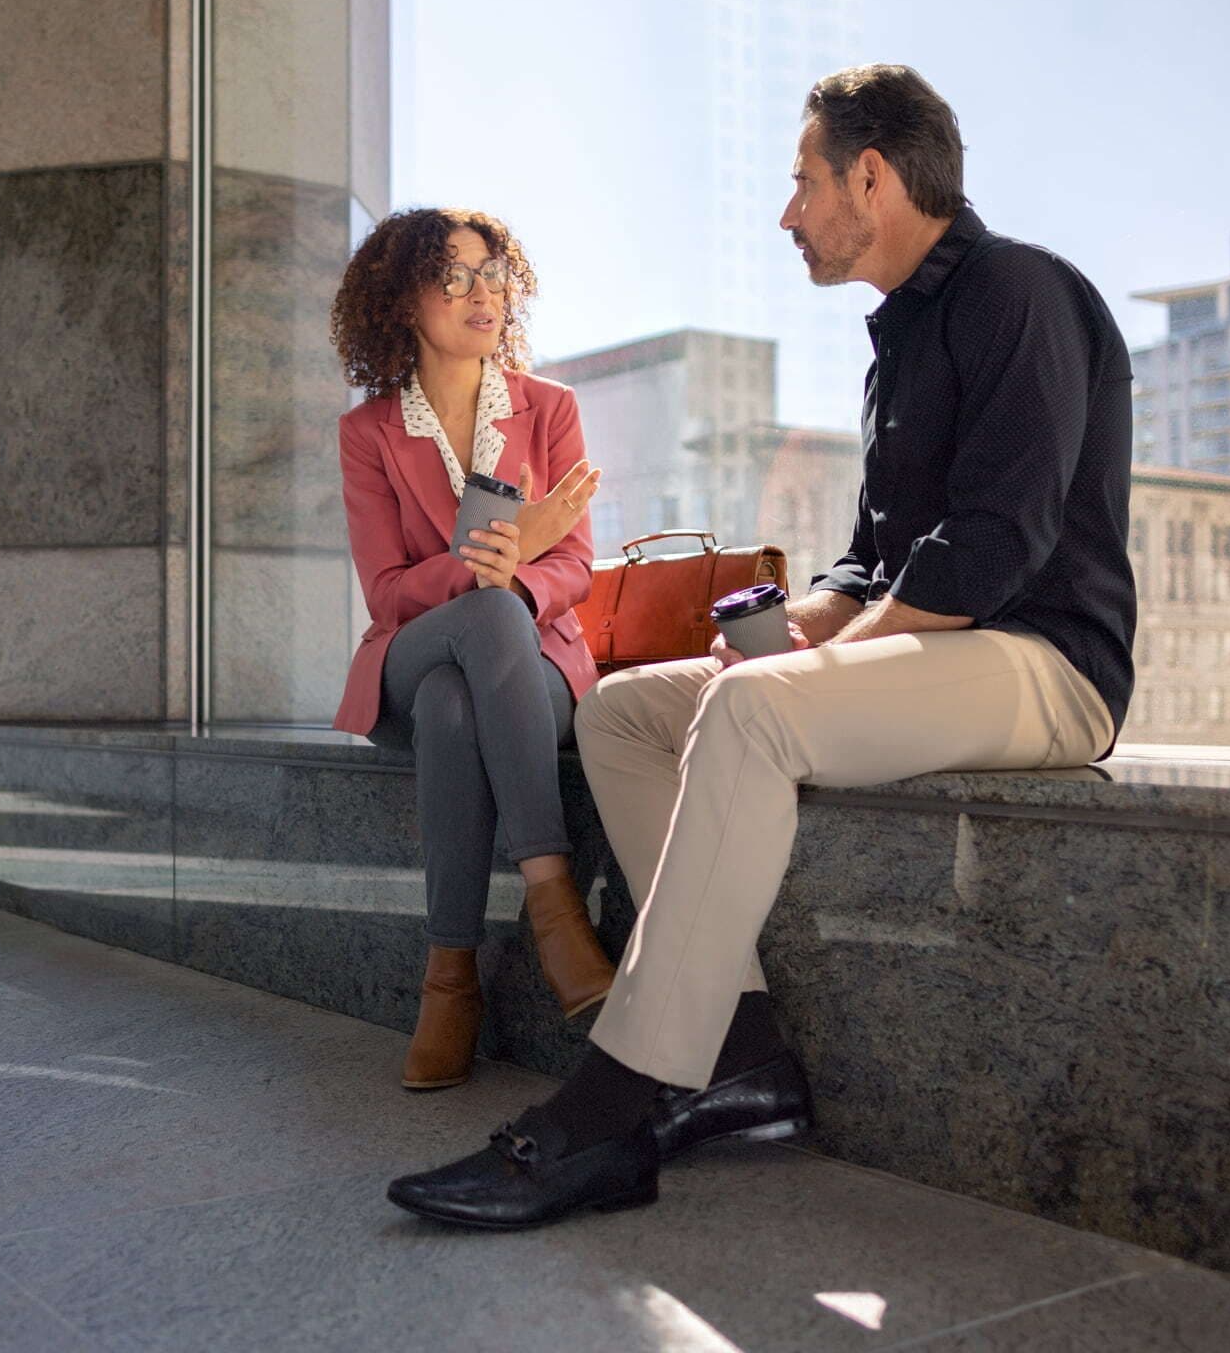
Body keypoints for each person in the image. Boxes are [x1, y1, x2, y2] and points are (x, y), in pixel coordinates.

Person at [386, 64, 1138, 1226]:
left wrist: (805, 670)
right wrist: (780, 636)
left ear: (872, 177)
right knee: (627, 713)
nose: (787, 212)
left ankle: (613, 1111)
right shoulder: (899, 346)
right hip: (935, 656)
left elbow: (989, 554)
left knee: (753, 709)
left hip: (1044, 665)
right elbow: (870, 566)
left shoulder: (1023, 295)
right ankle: (739, 1052)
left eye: (802, 181)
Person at [332, 207, 613, 1091]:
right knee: (480, 621)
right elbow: (385, 591)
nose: (478, 292)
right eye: (451, 276)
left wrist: (522, 567)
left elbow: (574, 563)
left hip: (537, 666)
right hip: (410, 652)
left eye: (490, 273)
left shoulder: (550, 409)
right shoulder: (368, 433)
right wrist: (490, 556)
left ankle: (450, 980)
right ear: (400, 301)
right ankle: (554, 904)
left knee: (466, 689)